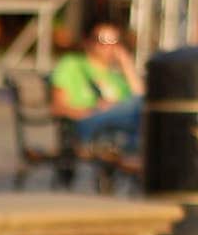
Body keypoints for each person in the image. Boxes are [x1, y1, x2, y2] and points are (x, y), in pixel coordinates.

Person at [49, 21, 144, 156]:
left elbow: (139, 97)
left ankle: (137, 156)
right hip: (86, 122)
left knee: (144, 107)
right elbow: (57, 107)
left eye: (114, 41)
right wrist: (93, 110)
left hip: (116, 128)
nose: (108, 46)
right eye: (102, 40)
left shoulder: (115, 77)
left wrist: (126, 63)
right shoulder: (72, 65)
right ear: (88, 41)